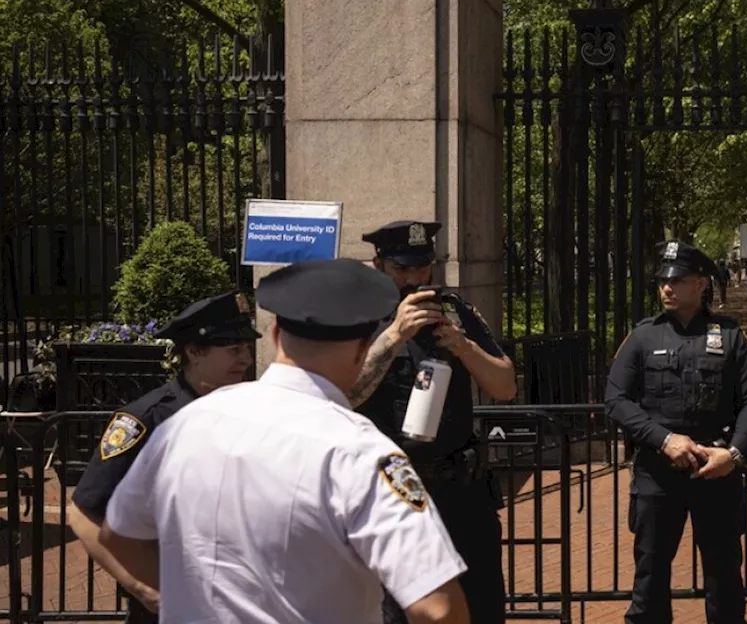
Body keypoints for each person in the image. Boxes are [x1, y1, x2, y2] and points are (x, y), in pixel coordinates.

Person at [99, 258, 471, 624]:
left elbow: (117, 535)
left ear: (276, 335)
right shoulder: (360, 452)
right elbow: (438, 609)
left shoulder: (185, 425)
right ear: (362, 349)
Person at [347, 220, 517, 624]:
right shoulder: (359, 319)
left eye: (421, 267)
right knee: (400, 612)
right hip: (394, 494)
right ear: (378, 264)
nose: (414, 279)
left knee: (480, 608)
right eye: (401, 269)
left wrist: (463, 345)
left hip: (462, 493)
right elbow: (343, 394)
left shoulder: (455, 310)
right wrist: (394, 337)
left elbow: (505, 385)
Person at [68, 291, 258, 624]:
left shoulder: (247, 407)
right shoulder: (145, 420)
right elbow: (83, 513)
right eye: (234, 350)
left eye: (246, 349)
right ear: (194, 353)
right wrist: (138, 585)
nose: (246, 360)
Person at [606, 240, 747, 624]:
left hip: (716, 471)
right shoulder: (643, 336)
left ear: (700, 283)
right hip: (657, 473)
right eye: (662, 280)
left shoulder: (729, 336)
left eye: (677, 280)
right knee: (650, 572)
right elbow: (615, 399)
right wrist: (663, 439)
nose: (666, 287)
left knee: (724, 574)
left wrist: (734, 454)